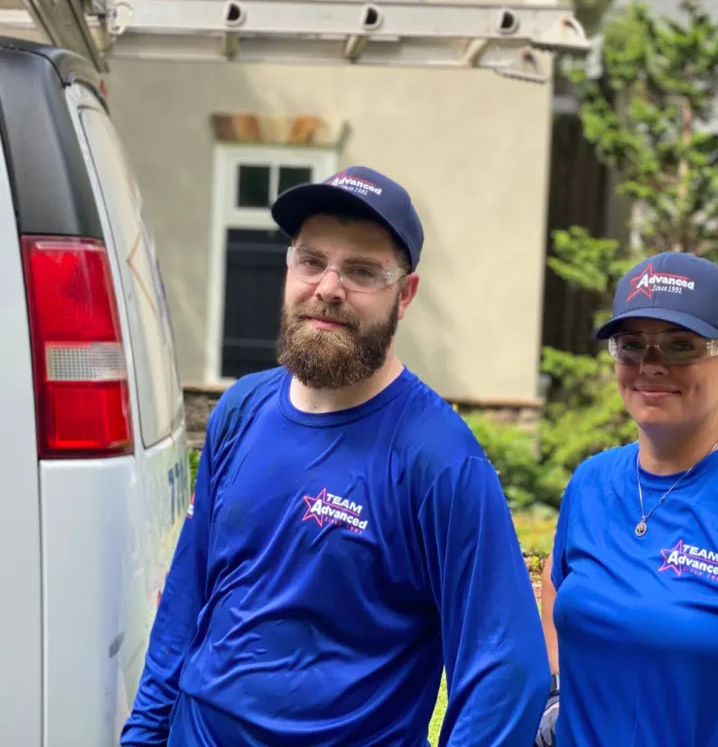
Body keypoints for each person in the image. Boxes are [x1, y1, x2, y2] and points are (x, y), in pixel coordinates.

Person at [120, 165, 551, 747]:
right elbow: (186, 599)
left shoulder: (437, 458)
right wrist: (144, 735)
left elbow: (506, 667)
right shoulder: (242, 410)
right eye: (312, 260)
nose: (328, 287)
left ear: (406, 295)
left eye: (362, 271)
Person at [535, 251, 718, 747]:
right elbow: (558, 580)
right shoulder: (592, 482)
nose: (650, 365)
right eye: (631, 345)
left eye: (681, 346)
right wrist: (556, 694)